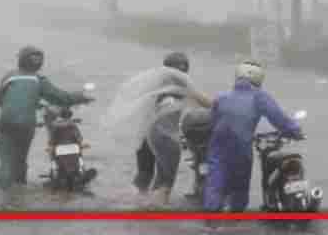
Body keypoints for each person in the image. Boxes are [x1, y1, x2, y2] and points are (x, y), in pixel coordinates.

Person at [202, 59, 303, 213]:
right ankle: (235, 220)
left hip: (217, 145)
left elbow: (212, 121)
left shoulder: (221, 97)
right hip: (241, 145)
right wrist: (295, 132)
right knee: (239, 186)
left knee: (215, 182)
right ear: (258, 78)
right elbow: (279, 118)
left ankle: (211, 219)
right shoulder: (259, 97)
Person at [0, 45, 93, 189]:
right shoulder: (38, 80)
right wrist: (81, 97)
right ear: (40, 63)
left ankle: (3, 196)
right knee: (21, 159)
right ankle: (20, 190)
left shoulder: (9, 77)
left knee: (6, 161)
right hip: (26, 125)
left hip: (5, 123)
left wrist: (27, 105)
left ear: (20, 60)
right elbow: (61, 98)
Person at [130, 52, 215, 208]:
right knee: (165, 183)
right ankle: (157, 217)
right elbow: (205, 102)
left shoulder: (155, 85)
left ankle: (137, 208)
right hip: (165, 137)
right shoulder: (180, 84)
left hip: (144, 135)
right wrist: (227, 106)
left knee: (143, 179)